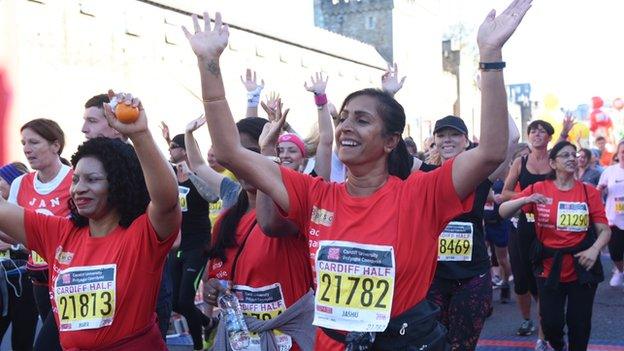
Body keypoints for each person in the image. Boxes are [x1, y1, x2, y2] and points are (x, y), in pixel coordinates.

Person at [183, 1, 529, 349]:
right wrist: (208, 63)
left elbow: (493, 150)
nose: (346, 126)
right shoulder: (314, 194)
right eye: (344, 117)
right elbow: (229, 151)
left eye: (362, 120)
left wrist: (490, 55)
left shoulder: (422, 193)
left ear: (392, 140)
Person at [0, 94, 181, 349]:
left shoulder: (143, 234)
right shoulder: (60, 232)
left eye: (92, 180)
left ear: (118, 184)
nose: (78, 189)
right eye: (76, 179)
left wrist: (140, 135)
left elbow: (167, 199)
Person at [200, 116, 315, 351]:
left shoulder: (294, 210)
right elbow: (216, 276)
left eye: (251, 153)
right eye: (236, 155)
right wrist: (213, 288)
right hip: (240, 341)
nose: (243, 162)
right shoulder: (225, 222)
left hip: (291, 342)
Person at [499, 141, 610, 351]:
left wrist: (594, 250)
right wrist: (524, 200)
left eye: (573, 155)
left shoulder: (589, 193)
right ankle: (558, 346)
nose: (571, 159)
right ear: (553, 163)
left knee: (580, 324)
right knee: (551, 324)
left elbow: (605, 231)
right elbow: (503, 211)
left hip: (582, 267)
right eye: (565, 155)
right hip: (549, 267)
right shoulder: (539, 189)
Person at [424, 115, 519, 351]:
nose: (448, 140)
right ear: (434, 141)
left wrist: (492, 84)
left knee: (462, 346)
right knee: (430, 344)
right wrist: (390, 96)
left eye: (455, 134)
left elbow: (513, 137)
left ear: (466, 141)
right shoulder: (423, 173)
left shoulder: (481, 175)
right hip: (430, 276)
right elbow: (389, 153)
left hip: (471, 277)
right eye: (442, 135)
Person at [87, 94, 175, 341]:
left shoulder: (140, 161)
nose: (84, 129)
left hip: (143, 276)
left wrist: (137, 134)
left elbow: (168, 198)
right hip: (93, 279)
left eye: (92, 121)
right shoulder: (86, 164)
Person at [6, 118, 72, 351]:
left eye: (34, 142)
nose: (26, 149)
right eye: (24, 143)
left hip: (69, 282)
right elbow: (12, 235)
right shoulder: (20, 183)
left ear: (56, 145)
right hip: (39, 281)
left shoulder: (75, 179)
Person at [502, 120, 554, 346]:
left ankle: (545, 332)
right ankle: (526, 319)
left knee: (544, 280)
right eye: (533, 131)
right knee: (522, 281)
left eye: (542, 131)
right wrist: (527, 196)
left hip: (550, 226)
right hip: (523, 224)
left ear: (549, 137)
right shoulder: (520, 162)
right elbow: (504, 193)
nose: (537, 134)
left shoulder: (555, 161)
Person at [167, 132, 213, 351]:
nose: (170, 150)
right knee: (174, 301)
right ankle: (209, 322)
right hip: (176, 245)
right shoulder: (171, 174)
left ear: (185, 150)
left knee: (185, 300)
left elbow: (212, 196)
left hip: (198, 245)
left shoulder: (199, 174)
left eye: (174, 146)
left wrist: (190, 173)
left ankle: (198, 346)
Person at [0, 162, 39, 351]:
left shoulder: (26, 209)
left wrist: (12, 244)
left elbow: (37, 241)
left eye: (1, 179)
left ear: (12, 182)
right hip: (4, 281)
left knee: (23, 339)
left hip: (27, 280)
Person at [597, 140, 624, 287]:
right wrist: (601, 189)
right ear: (618, 154)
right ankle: (620, 271)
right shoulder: (610, 171)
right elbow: (598, 192)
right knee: (615, 252)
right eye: (623, 152)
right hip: (614, 218)